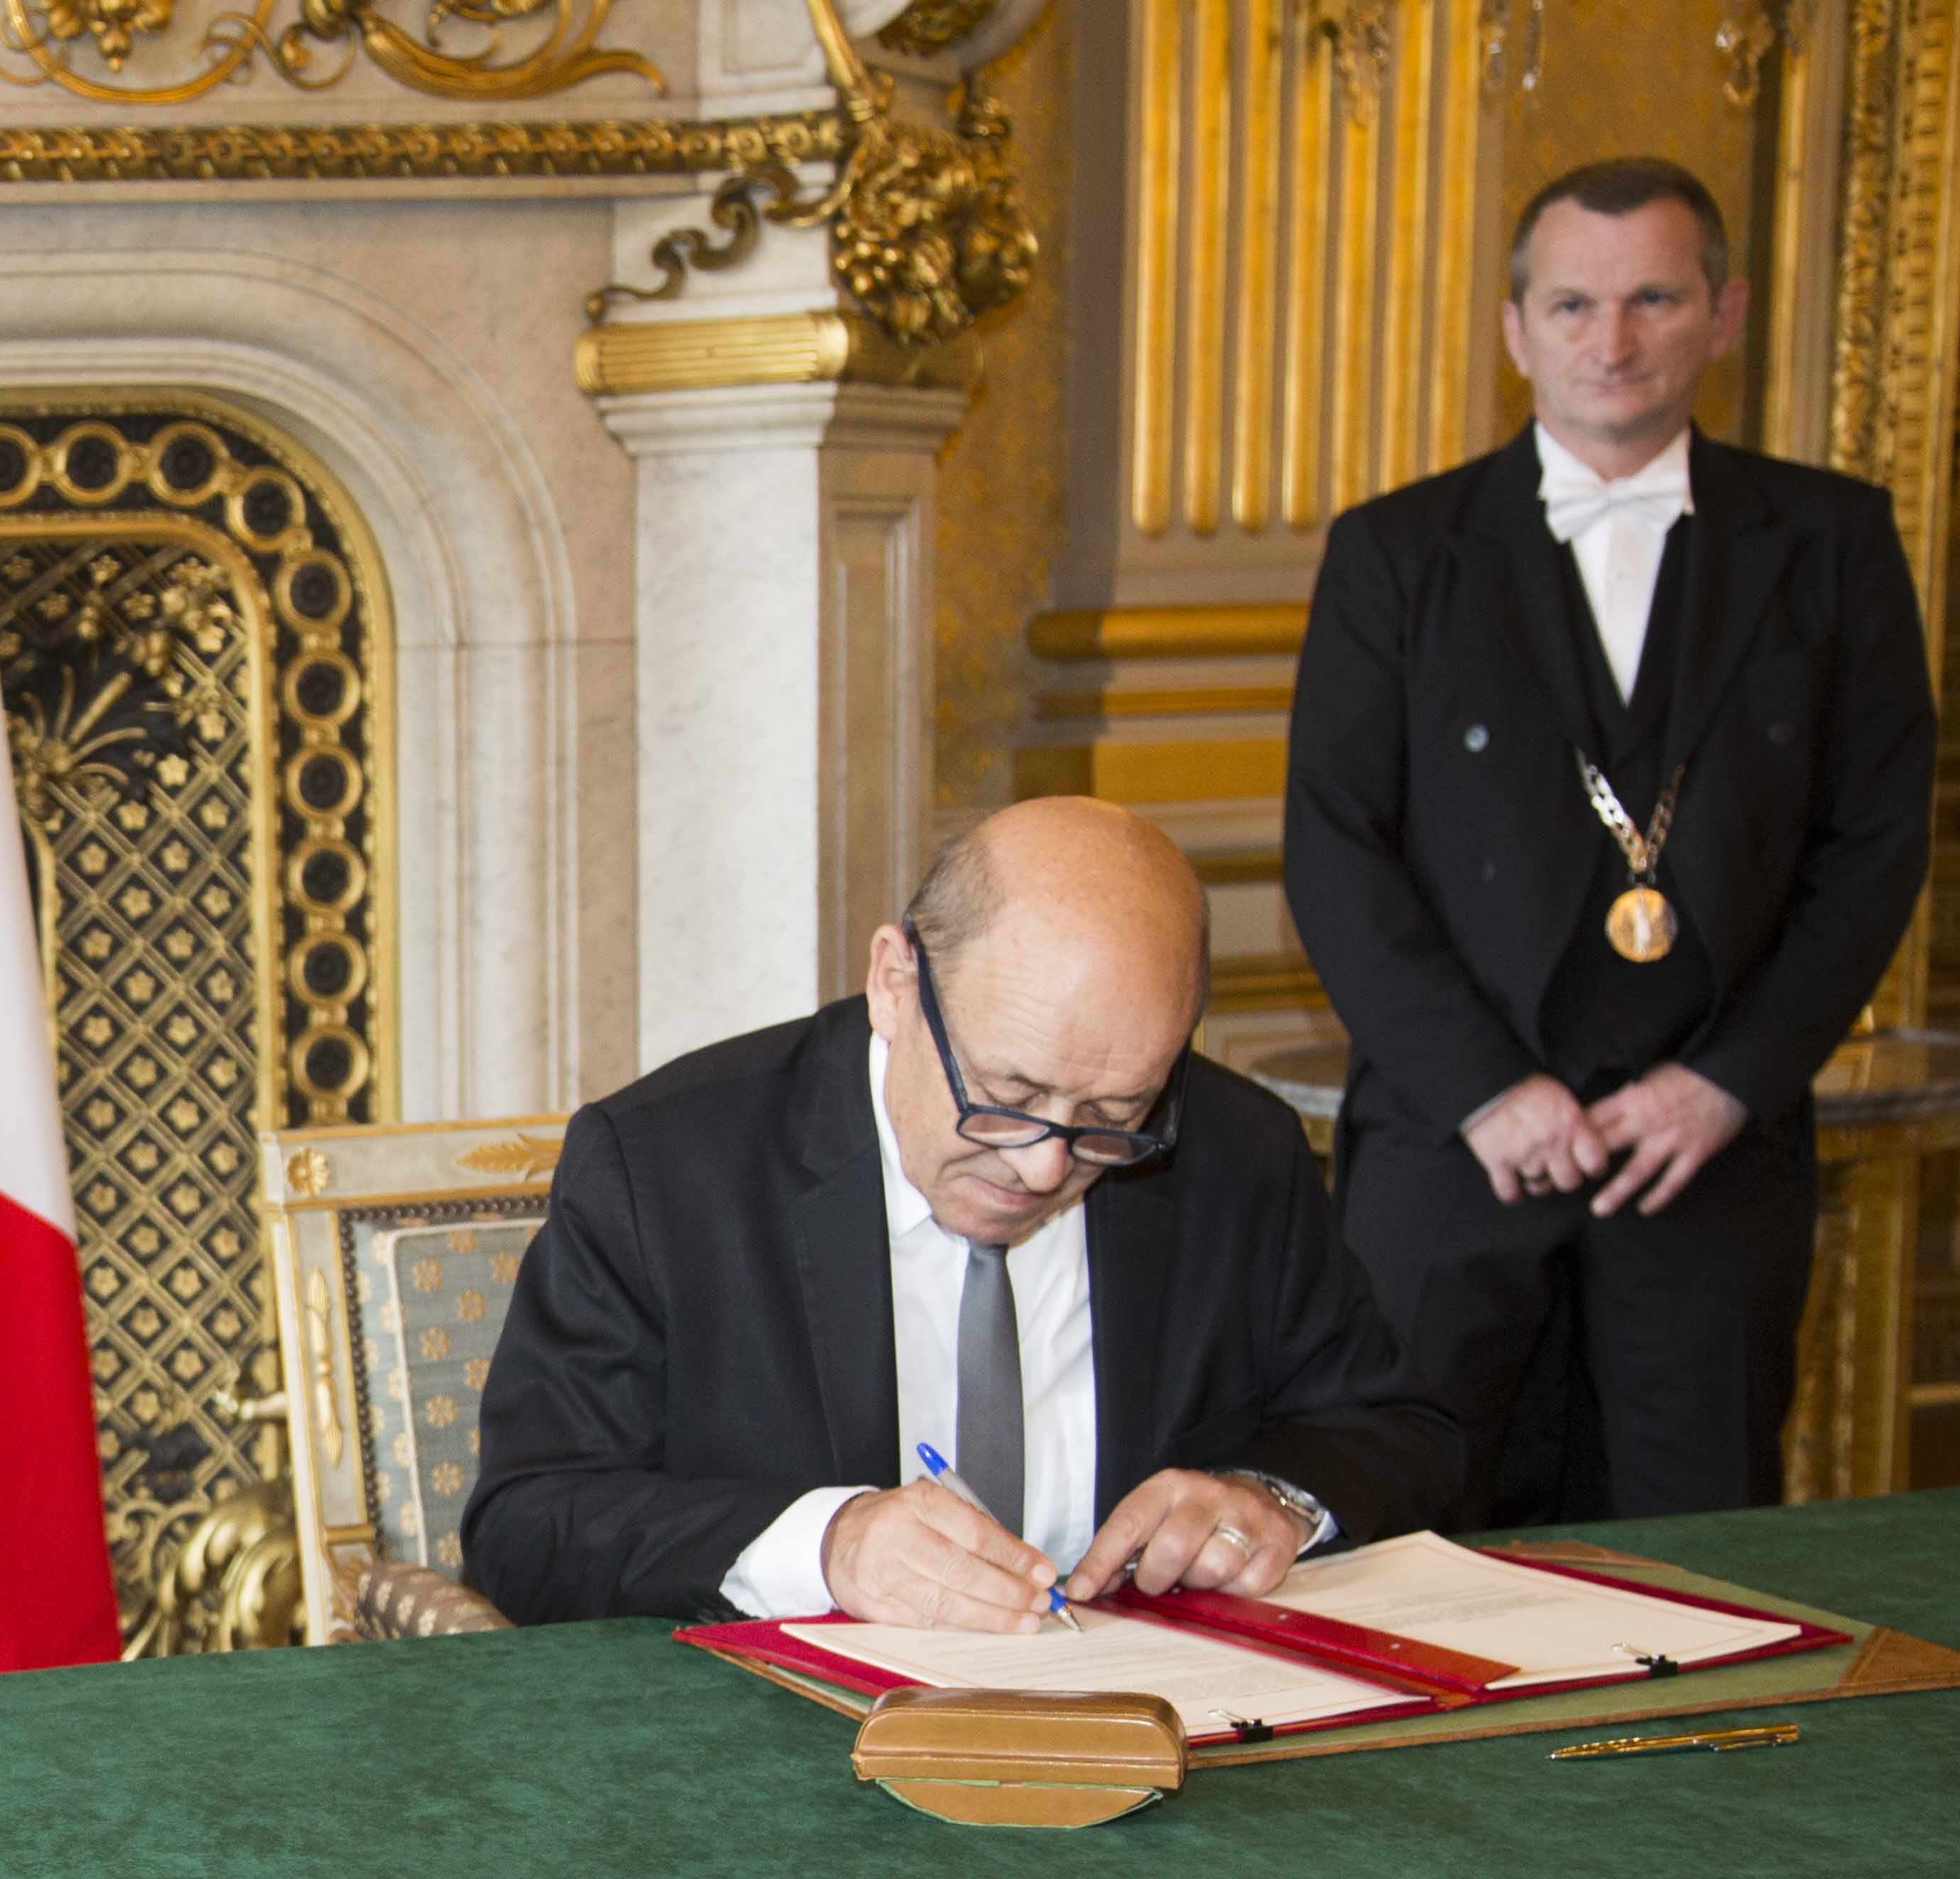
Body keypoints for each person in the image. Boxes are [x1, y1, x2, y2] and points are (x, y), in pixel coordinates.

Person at [1287, 157, 1936, 1522]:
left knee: (1697, 1559)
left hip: (1706, 1151)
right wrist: (1487, 1089)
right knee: (1412, 1541)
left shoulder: (1832, 539)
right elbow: (1337, 850)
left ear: (1724, 312)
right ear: (1517, 328)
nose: (1615, 340)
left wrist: (1728, 1082)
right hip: (1453, 1149)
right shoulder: (1395, 553)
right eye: (1574, 305)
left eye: (1655, 297)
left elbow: (1875, 843)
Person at [460, 797, 1461, 1630]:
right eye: (1006, 1094)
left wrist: (1267, 1503)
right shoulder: (669, 1172)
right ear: (895, 982)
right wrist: (830, 1547)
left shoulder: (1236, 1157)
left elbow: (1398, 1431)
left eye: (1112, 1119)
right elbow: (529, 1522)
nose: (1040, 1166)